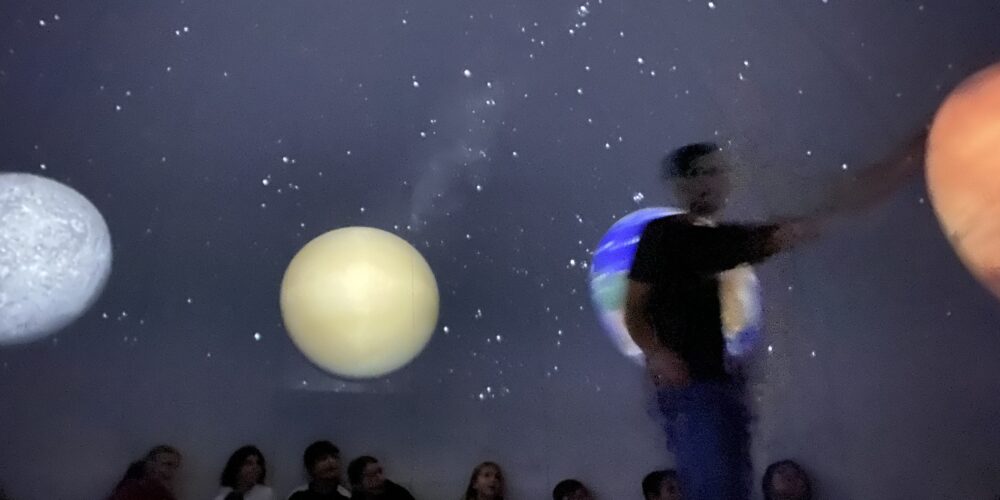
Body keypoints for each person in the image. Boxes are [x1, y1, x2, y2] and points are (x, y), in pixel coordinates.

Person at [625, 135, 925, 500]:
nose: (711, 182)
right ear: (682, 184)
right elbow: (634, 308)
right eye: (701, 174)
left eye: (716, 173)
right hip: (694, 392)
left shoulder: (710, 239)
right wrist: (657, 352)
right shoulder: (665, 236)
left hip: (715, 388)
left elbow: (778, 234)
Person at [107, 445, 182, 500]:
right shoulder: (130, 491)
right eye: (168, 464)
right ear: (150, 464)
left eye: (175, 467)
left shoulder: (164, 494)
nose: (172, 471)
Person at [346, 456, 414, 500]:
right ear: (358, 483)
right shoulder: (357, 496)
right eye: (372, 475)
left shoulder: (397, 492)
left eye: (380, 471)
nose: (380, 477)